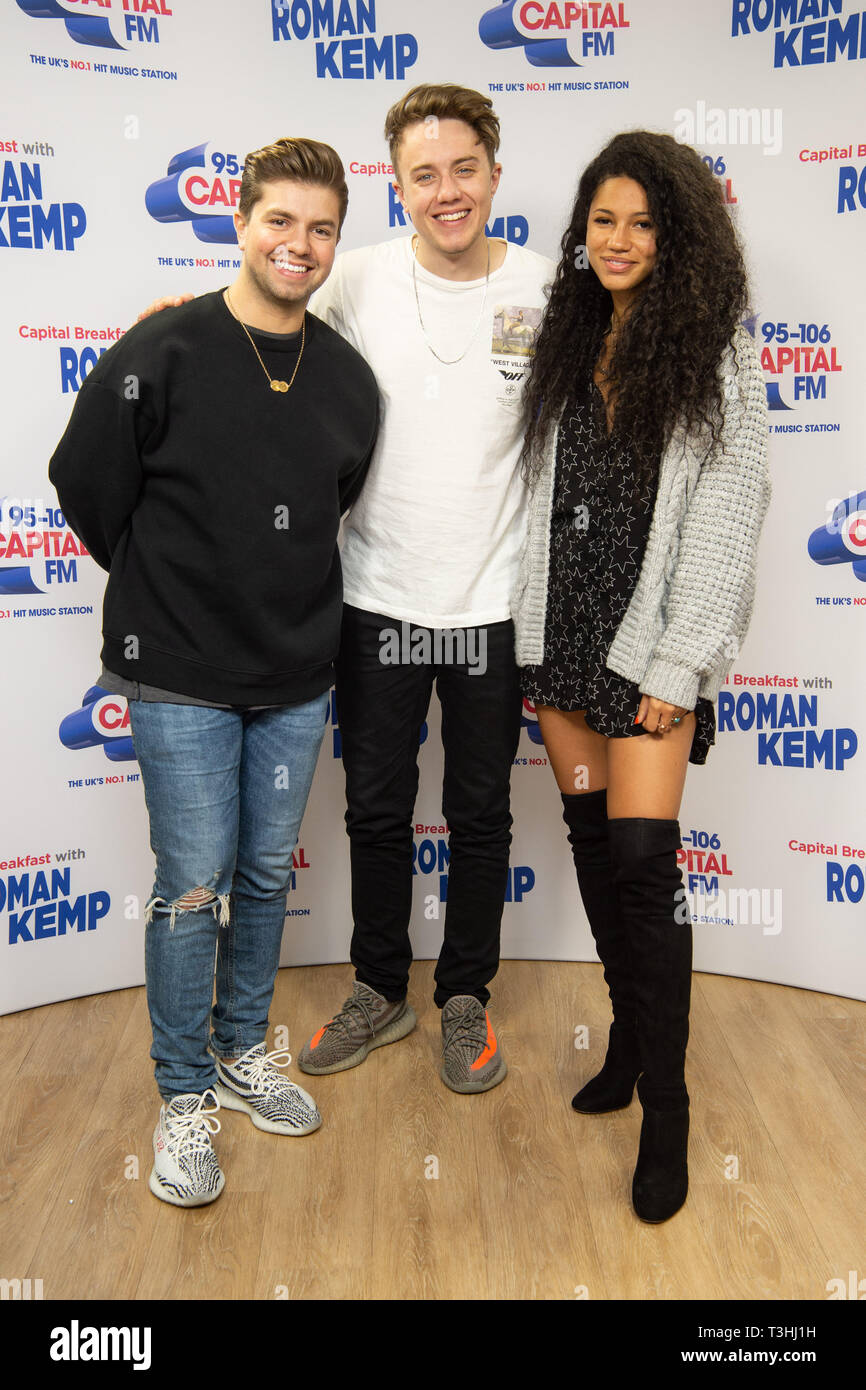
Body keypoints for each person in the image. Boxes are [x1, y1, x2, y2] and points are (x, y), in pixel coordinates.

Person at [49, 138, 379, 1206]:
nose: (299, 244)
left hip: (294, 673)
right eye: (278, 220)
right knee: (192, 891)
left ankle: (244, 1054)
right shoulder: (168, 346)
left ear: (336, 239)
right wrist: (163, 583)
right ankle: (183, 1096)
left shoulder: (343, 378)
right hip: (178, 670)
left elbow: (335, 506)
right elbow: (85, 480)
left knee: (262, 878)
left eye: (320, 227)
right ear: (238, 222)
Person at [513, 132, 770, 1221]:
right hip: (564, 637)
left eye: (641, 223)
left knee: (641, 862)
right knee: (587, 843)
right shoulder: (567, 343)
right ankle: (625, 1038)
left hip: (647, 649)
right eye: (601, 221)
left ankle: (664, 1106)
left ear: (678, 237)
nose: (616, 241)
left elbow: (727, 514)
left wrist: (680, 661)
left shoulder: (713, 351)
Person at [294, 85, 554, 1093]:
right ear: (394, 183)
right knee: (374, 808)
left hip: (491, 606)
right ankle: (379, 986)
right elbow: (254, 327)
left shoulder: (543, 286)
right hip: (378, 597)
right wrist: (164, 334)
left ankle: (464, 997)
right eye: (422, 174)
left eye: (462, 169)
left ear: (492, 170)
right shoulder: (352, 279)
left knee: (482, 811)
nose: (445, 192)